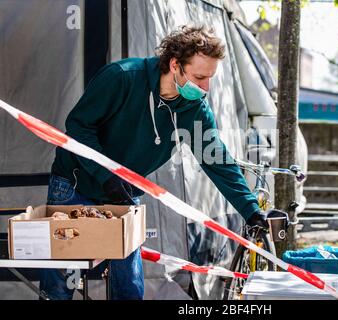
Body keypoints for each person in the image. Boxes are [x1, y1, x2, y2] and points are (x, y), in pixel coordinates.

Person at [40, 25, 269, 300]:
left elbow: (217, 160)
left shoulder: (194, 109)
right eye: (199, 77)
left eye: (210, 78)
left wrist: (251, 210)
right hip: (76, 184)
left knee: (129, 286)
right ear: (175, 65)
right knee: (59, 285)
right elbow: (78, 127)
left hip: (124, 195)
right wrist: (106, 176)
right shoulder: (122, 77)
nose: (206, 87)